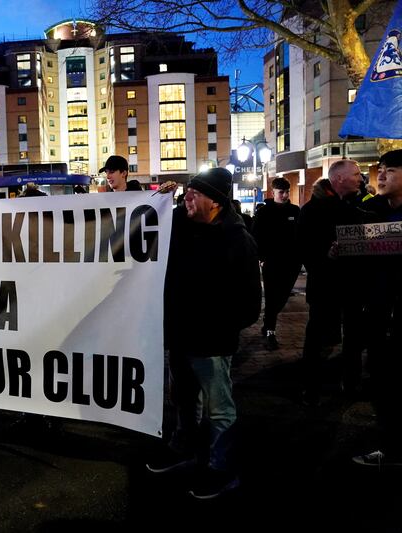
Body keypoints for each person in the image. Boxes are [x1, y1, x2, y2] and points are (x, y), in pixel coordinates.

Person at [147, 167, 262, 500]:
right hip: (180, 338)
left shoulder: (239, 241)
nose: (188, 198)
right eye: (188, 193)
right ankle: (184, 448)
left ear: (216, 202)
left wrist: (213, 325)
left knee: (218, 408)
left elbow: (249, 305)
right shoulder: (181, 225)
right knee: (183, 400)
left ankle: (222, 468)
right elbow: (143, 220)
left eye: (196, 194)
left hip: (211, 343)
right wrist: (159, 199)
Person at [297, 160, 365, 404]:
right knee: (317, 336)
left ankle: (351, 382)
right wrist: (325, 255)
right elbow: (303, 249)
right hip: (325, 285)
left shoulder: (357, 204)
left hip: (353, 286)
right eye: (356, 174)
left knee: (354, 335)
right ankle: (311, 387)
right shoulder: (312, 210)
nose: (361, 178)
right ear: (339, 179)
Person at [352, 150, 402, 466]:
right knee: (383, 382)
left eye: (391, 170)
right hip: (379, 312)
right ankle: (393, 447)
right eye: (380, 169)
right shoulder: (370, 211)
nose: (381, 175)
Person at [251, 178, 302, 350]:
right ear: (273, 193)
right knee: (273, 296)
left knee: (282, 295)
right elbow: (256, 234)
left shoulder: (295, 210)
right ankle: (270, 329)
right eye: (281, 192)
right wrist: (262, 257)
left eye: (287, 191)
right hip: (272, 261)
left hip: (292, 261)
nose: (285, 195)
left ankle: (268, 322)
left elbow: (301, 233)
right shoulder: (264, 212)